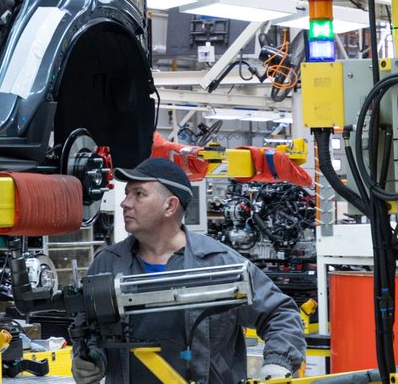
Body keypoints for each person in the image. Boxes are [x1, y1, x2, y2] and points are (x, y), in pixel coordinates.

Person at [82, 157, 306, 384]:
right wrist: (91, 358)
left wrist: (278, 362)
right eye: (127, 193)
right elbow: (89, 328)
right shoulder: (107, 264)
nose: (125, 203)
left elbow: (280, 313)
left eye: (139, 194)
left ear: (170, 206)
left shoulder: (219, 263)